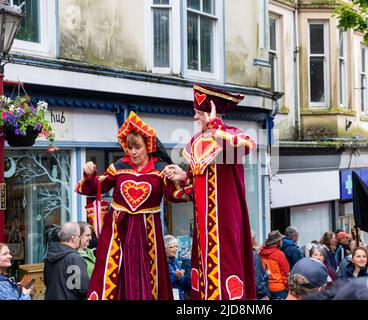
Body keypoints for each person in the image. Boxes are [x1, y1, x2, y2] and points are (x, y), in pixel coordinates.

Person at [76, 112, 191, 300]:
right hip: (118, 229)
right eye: (129, 147)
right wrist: (89, 176)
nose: (133, 152)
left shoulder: (161, 169)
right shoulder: (120, 166)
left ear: (148, 146)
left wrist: (184, 178)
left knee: (149, 273)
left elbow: (176, 195)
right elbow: (95, 187)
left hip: (148, 233)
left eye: (137, 147)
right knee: (113, 272)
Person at [164, 84, 256, 300]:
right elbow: (196, 189)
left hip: (225, 219)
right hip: (203, 225)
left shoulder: (232, 134)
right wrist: (182, 176)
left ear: (211, 111)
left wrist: (215, 125)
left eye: (199, 113)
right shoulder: (196, 141)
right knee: (204, 270)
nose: (195, 118)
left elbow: (245, 147)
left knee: (226, 264)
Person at [44, 222, 89, 300]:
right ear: (73, 238)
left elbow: (47, 282)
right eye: (78, 236)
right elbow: (83, 289)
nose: (79, 239)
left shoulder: (49, 257)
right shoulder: (75, 258)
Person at [259, 230, 290, 300]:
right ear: (278, 242)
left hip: (265, 289)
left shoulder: (260, 253)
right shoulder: (279, 254)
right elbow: (286, 274)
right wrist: (288, 289)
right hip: (279, 289)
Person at [164, 235, 188, 300]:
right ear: (165, 249)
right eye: (172, 247)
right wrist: (175, 276)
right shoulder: (161, 263)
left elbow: (182, 283)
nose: (176, 249)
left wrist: (182, 276)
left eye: (176, 246)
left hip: (178, 295)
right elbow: (162, 282)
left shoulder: (175, 261)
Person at [251, 231, 269, 300]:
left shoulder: (239, 253)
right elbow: (258, 279)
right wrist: (264, 294)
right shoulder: (254, 255)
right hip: (255, 294)